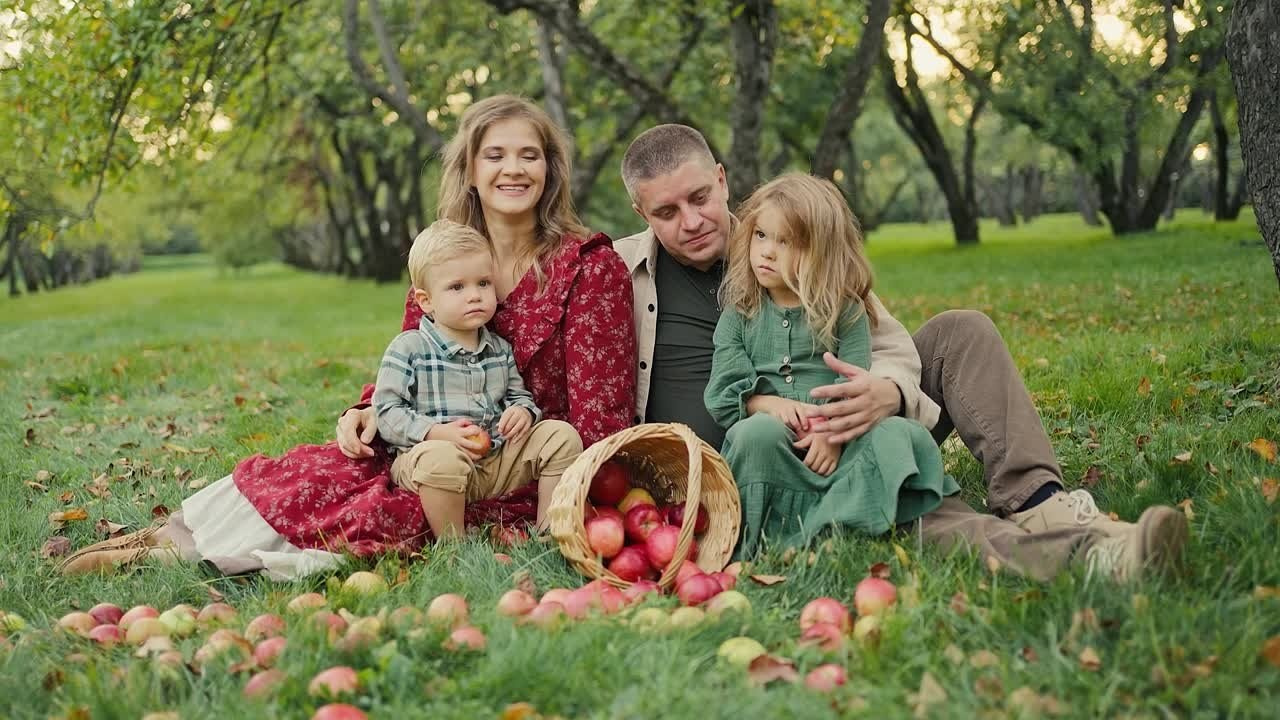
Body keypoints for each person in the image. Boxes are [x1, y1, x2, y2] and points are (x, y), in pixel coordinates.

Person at [57, 95, 635, 578]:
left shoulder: (588, 267)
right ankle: (165, 537)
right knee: (319, 470)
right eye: (496, 155)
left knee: (388, 510)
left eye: (529, 155)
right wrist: (365, 410)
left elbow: (601, 418)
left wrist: (548, 470)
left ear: (550, 169)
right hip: (431, 437)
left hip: (527, 466)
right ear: (471, 172)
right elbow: (411, 356)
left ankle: (181, 552)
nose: (514, 169)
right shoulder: (446, 259)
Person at [614, 124, 1187, 582]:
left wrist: (883, 393)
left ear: (720, 177)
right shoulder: (614, 274)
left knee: (961, 331)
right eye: (666, 212)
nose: (691, 221)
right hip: (753, 463)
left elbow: (882, 338)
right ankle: (1089, 557)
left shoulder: (790, 233)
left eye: (700, 197)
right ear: (642, 214)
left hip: (842, 420)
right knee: (915, 511)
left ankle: (1041, 502)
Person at [705, 174, 959, 557]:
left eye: (786, 241)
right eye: (760, 235)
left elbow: (854, 383)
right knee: (753, 435)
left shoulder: (845, 310)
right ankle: (771, 535)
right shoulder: (740, 313)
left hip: (841, 438)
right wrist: (769, 405)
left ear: (820, 252)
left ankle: (844, 520)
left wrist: (832, 435)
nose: (767, 252)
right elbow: (725, 394)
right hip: (776, 445)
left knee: (892, 435)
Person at [374, 219, 582, 539]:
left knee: (561, 436)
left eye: (483, 283)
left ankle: (550, 533)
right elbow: (386, 410)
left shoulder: (499, 348)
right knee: (442, 461)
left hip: (494, 460)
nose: (475, 295)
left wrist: (522, 412)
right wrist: (433, 433)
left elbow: (518, 395)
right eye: (457, 287)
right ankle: (453, 547)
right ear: (426, 301)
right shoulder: (410, 348)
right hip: (429, 461)